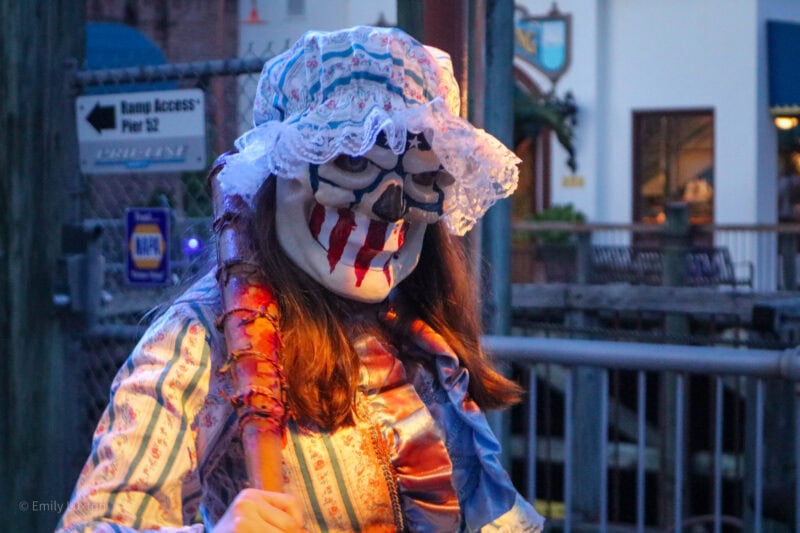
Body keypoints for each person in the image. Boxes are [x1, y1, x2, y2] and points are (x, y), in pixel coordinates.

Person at [57, 26, 545, 532]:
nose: (391, 206)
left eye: (423, 176)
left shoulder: (414, 327)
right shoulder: (204, 335)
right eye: (352, 161)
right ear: (283, 168)